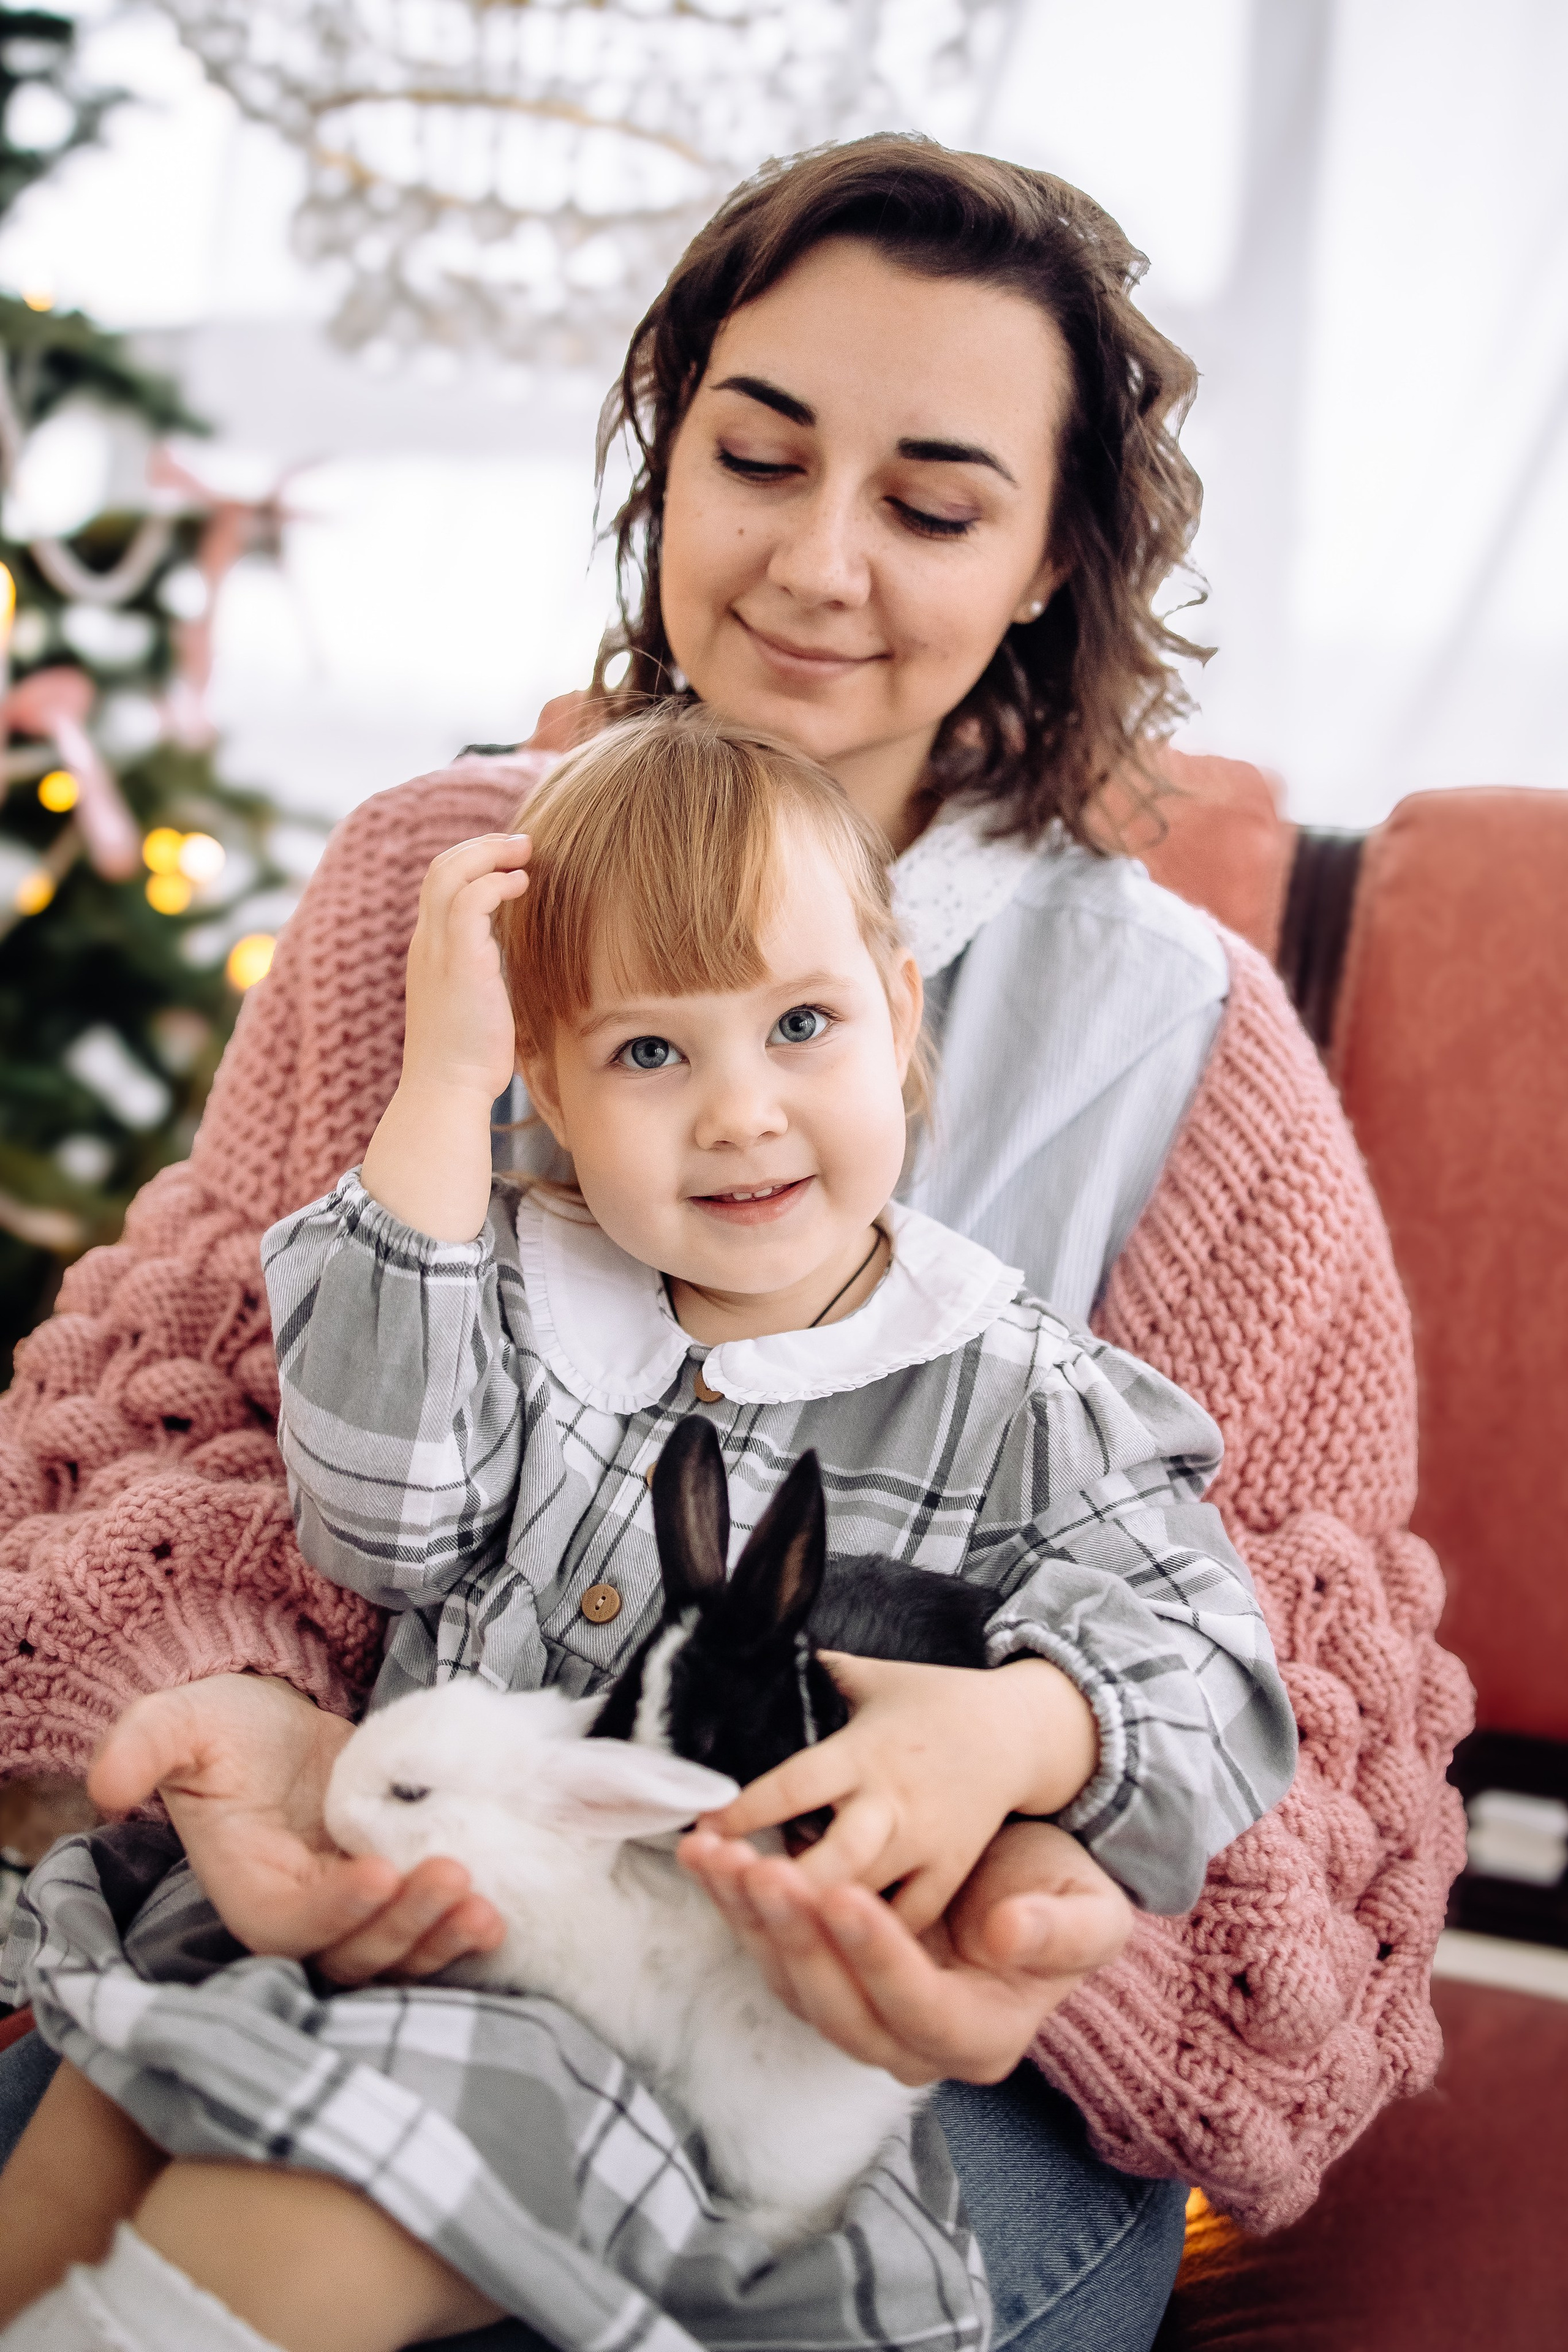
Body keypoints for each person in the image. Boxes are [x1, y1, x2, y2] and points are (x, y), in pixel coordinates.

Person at [0, 132, 1468, 2352]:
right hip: (440, 1885)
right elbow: (222, 1412)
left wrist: (1020, 1908)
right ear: (664, 450)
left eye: (935, 503)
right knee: (113, 2128)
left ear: (1057, 558)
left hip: (886, 2062)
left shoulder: (1184, 1053)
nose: (813, 563)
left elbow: (1276, 1688)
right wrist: (237, 1705)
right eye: (756, 457)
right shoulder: (449, 884)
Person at [0, 710, 1296, 2352]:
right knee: (93, 2118)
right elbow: (379, 1519)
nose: (741, 1114)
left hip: (658, 2024)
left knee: (289, 2209)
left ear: (898, 1012)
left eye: (802, 1026)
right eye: (649, 1056)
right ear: (550, 1084)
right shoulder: (519, 1294)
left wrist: (1031, 1726)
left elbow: (1214, 1659)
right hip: (394, 1918)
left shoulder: (1026, 1396)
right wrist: (445, 1088)